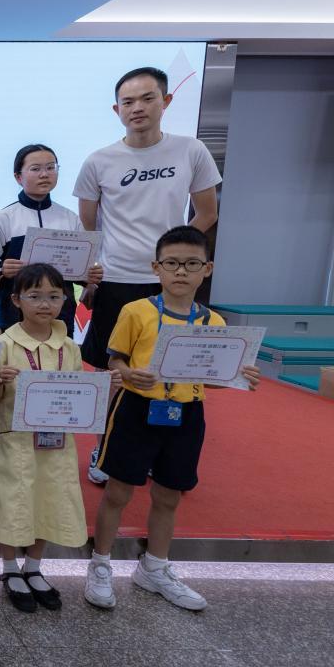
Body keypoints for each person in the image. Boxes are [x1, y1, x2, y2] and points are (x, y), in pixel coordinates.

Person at [85, 227, 260, 613]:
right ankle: (99, 564)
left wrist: (238, 375)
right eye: (172, 263)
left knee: (169, 495)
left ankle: (154, 568)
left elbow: (211, 380)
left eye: (192, 264)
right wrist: (129, 374)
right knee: (117, 492)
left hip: (186, 414)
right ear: (156, 268)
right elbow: (114, 360)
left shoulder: (214, 322)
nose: (181, 271)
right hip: (136, 410)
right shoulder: (136, 311)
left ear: (207, 269)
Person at [74, 68, 221, 484]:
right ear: (116, 109)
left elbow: (207, 213)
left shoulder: (191, 151)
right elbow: (90, 226)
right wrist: (93, 277)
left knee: (171, 367)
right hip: (117, 280)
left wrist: (175, 258)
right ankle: (105, 447)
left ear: (166, 101)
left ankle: (161, 451)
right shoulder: (99, 161)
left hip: (169, 283)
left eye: (147, 98)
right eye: (128, 102)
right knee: (113, 371)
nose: (137, 108)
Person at [0, 264, 94, 613]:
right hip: (16, 442)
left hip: (57, 444)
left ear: (65, 300)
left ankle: (34, 566)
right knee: (12, 500)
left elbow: (81, 396)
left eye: (53, 296)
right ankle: (9, 567)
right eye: (35, 296)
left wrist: (100, 391)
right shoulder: (3, 343)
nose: (45, 304)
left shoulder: (70, 347)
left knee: (48, 498)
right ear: (16, 300)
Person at [0, 144, 103, 336]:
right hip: (14, 317)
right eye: (35, 169)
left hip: (60, 316)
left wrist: (90, 278)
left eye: (50, 167)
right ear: (18, 177)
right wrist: (2, 269)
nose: (45, 174)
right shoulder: (4, 218)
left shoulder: (69, 219)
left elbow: (81, 268)